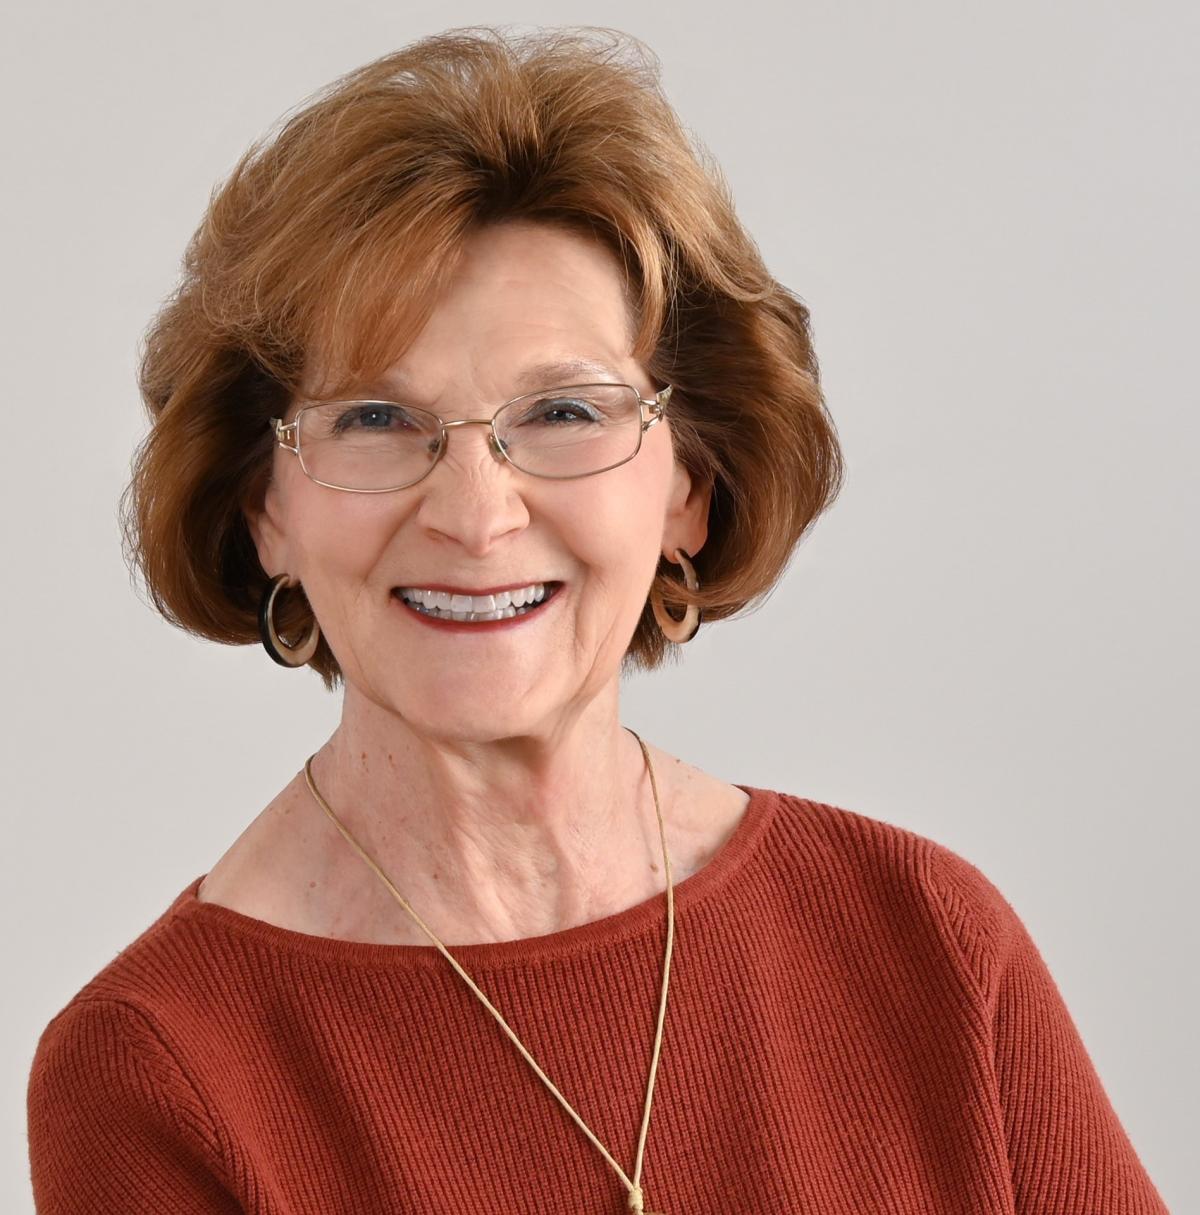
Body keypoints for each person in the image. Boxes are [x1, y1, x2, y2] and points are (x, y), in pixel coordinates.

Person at [25, 26, 1168, 1215]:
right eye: (375, 419)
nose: (474, 514)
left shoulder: (925, 937)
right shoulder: (157, 1066)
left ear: (689, 485)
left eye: (564, 409)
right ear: (264, 505)